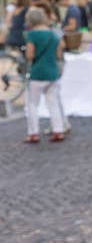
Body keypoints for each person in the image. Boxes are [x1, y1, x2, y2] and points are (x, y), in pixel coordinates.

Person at [21, 7, 67, 143]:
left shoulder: (32, 35)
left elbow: (30, 55)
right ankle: (58, 130)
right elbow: (59, 54)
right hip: (53, 73)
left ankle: (33, 133)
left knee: (33, 104)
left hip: (37, 73)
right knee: (53, 103)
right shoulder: (54, 34)